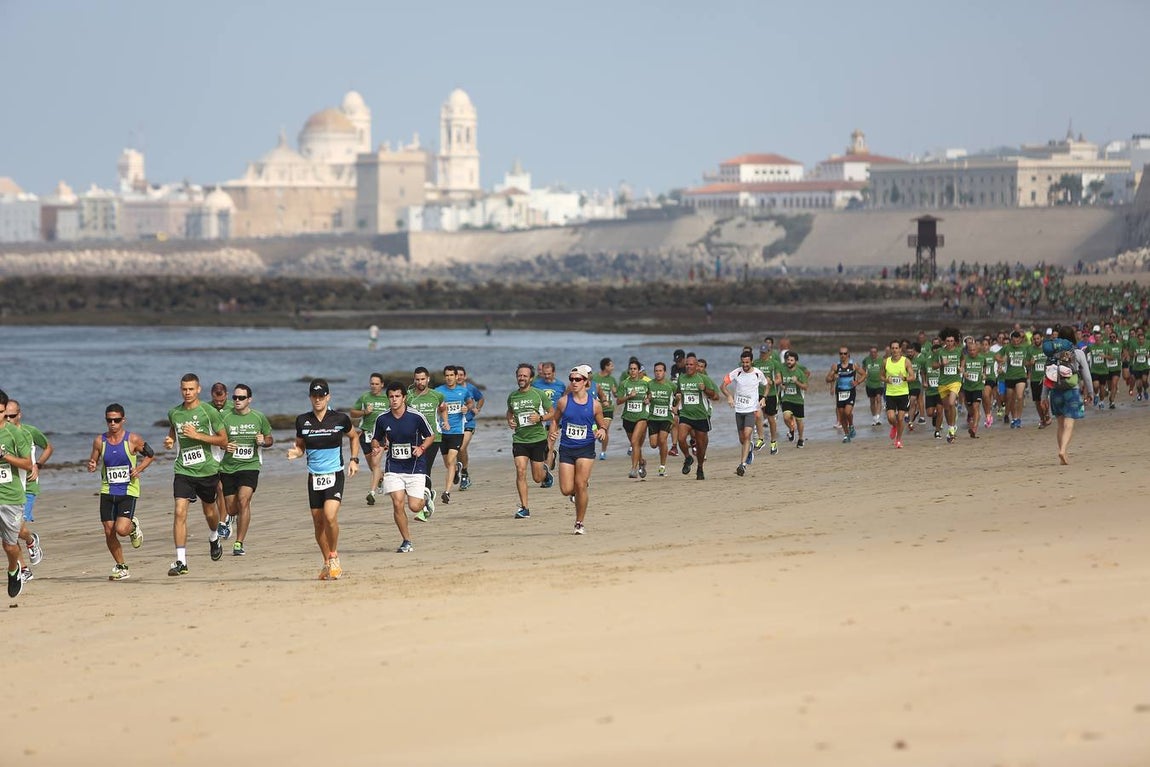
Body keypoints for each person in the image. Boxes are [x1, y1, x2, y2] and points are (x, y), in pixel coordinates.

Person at [286, 378, 359, 579]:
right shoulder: (302, 420)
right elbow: (300, 446)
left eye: (321, 396)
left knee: (329, 516)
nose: (318, 399)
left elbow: (354, 436)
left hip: (334, 474)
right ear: (310, 397)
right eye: (314, 396)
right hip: (314, 477)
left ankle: (334, 556)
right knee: (318, 523)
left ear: (328, 397)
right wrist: (296, 453)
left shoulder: (340, 419)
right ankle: (327, 562)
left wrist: (354, 460)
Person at [163, 373, 229, 576]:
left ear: (198, 389)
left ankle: (213, 536)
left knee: (210, 513)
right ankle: (181, 561)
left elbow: (223, 440)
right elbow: (174, 430)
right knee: (179, 511)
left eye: (191, 389)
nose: (187, 392)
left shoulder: (209, 411)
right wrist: (170, 440)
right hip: (183, 469)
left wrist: (197, 436)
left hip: (207, 470)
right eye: (184, 389)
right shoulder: (174, 412)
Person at [86, 403, 153, 580]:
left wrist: (139, 469)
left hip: (128, 490)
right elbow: (93, 459)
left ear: (123, 420)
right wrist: (92, 464)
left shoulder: (133, 439)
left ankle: (133, 527)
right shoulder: (100, 441)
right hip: (107, 489)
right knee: (109, 531)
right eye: (109, 420)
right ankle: (121, 566)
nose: (113, 423)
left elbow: (151, 454)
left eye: (116, 420)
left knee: (121, 529)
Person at [370, 381, 435, 554]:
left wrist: (421, 448)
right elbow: (376, 438)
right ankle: (406, 541)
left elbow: (430, 436)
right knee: (397, 503)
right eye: (391, 396)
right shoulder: (382, 418)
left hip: (415, 465)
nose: (394, 400)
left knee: (414, 506)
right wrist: (377, 446)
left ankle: (426, 498)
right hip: (394, 466)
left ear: (404, 397)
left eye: (397, 396)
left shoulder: (416, 416)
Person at [543, 365, 609, 534]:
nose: (574, 382)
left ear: (586, 382)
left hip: (586, 448)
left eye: (578, 379)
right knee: (566, 489)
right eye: (571, 379)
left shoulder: (595, 405)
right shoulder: (564, 401)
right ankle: (579, 490)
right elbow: (555, 420)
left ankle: (579, 522)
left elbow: (602, 424)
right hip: (566, 448)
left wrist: (601, 430)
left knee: (580, 484)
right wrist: (553, 433)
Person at [218, 384, 273, 557]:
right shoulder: (224, 417)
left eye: (241, 398)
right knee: (233, 509)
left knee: (243, 500)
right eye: (234, 398)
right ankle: (232, 517)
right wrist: (224, 445)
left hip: (250, 466)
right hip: (227, 467)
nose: (237, 401)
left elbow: (270, 439)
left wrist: (263, 441)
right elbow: (216, 439)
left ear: (249, 399)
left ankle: (239, 543)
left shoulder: (259, 417)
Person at [3, 400, 48, 580]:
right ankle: (24, 568)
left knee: (16, 532)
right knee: (11, 534)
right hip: (7, 490)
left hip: (27, 487)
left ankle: (30, 543)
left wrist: (37, 465)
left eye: (11, 416)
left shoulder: (27, 432)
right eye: (4, 415)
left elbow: (48, 447)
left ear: (19, 415)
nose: (7, 419)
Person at [506, 363, 554, 519]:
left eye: (525, 376)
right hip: (520, 439)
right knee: (520, 471)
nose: (521, 378)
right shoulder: (512, 396)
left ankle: (545, 474)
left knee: (537, 478)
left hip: (538, 439)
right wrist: (510, 421)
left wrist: (540, 418)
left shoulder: (539, 394)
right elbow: (510, 412)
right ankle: (525, 508)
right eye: (519, 375)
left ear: (531, 378)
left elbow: (552, 413)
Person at [0, 388, 35, 599]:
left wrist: (5, 456)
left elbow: (28, 464)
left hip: (11, 497)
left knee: (9, 545)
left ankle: (14, 569)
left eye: (1, 411)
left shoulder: (15, 434)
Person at [406, 366, 448, 517]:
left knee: (424, 469)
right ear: (414, 380)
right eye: (417, 379)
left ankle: (424, 507)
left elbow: (443, 408)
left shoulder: (437, 395)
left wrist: (445, 421)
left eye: (422, 379)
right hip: (415, 439)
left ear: (428, 379)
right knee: (416, 471)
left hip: (433, 437)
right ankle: (428, 494)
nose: (420, 382)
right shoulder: (409, 396)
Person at [673, 353, 719, 478]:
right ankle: (688, 458)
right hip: (686, 414)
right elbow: (678, 393)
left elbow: (714, 394)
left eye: (691, 364)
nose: (688, 367)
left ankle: (700, 467)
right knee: (681, 438)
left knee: (700, 445)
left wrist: (704, 389)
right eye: (687, 364)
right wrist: (676, 399)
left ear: (696, 366)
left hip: (701, 416)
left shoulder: (703, 378)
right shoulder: (681, 378)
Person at [721, 350, 768, 476]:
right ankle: (750, 448)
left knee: (747, 434)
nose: (745, 364)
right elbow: (723, 386)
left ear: (751, 361)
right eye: (743, 362)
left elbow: (768, 384)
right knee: (742, 438)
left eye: (747, 362)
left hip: (751, 410)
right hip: (739, 410)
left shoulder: (758, 373)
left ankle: (742, 465)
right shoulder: (737, 372)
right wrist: (729, 396)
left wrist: (764, 398)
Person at [350, 373, 389, 505]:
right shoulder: (365, 397)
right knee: (373, 466)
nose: (374, 386)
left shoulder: (387, 398)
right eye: (372, 383)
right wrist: (364, 412)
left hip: (381, 436)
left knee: (376, 463)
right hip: (365, 435)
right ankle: (382, 478)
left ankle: (371, 493)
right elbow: (352, 413)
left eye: (377, 384)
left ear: (382, 385)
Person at [435, 365, 472, 505]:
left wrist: (466, 408)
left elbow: (470, 402)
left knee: (451, 460)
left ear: (457, 377)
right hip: (442, 432)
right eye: (447, 375)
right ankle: (457, 470)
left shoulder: (463, 391)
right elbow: (433, 406)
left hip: (457, 431)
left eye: (452, 375)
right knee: (447, 463)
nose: (449, 378)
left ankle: (447, 492)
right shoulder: (438, 392)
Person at [615, 359, 651, 479]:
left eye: (635, 369)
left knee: (635, 441)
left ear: (639, 370)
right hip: (628, 417)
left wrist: (648, 399)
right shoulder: (624, 384)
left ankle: (633, 469)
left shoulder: (645, 384)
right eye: (631, 369)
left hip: (642, 417)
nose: (632, 371)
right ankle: (641, 462)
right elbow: (618, 401)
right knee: (635, 444)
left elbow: (651, 394)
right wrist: (629, 397)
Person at [531, 361, 567, 469]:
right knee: (541, 447)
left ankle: (547, 476)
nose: (546, 376)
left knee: (549, 446)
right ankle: (551, 458)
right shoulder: (536, 384)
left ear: (554, 373)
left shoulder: (560, 385)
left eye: (549, 374)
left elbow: (564, 402)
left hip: (555, 420)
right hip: (540, 420)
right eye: (544, 374)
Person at [881, 339, 915, 449]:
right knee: (891, 417)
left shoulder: (906, 361)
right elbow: (881, 376)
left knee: (900, 418)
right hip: (890, 393)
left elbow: (912, 377)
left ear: (900, 349)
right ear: (890, 349)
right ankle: (894, 427)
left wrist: (904, 378)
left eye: (897, 348)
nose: (895, 350)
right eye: (893, 348)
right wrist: (887, 380)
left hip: (903, 393)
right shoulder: (886, 361)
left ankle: (898, 440)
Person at [825, 347, 863, 443]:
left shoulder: (853, 365)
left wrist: (857, 382)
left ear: (848, 354)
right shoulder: (835, 366)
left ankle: (851, 425)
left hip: (850, 391)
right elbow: (827, 379)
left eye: (845, 353)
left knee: (847, 412)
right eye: (841, 353)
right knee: (842, 415)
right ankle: (846, 435)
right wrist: (833, 377)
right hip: (840, 392)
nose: (843, 355)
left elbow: (864, 374)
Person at [645, 361, 676, 476]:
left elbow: (679, 396)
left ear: (665, 372)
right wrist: (647, 400)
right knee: (654, 444)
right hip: (653, 417)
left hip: (666, 417)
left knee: (662, 440)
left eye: (660, 371)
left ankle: (662, 466)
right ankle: (662, 449)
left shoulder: (671, 385)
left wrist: (676, 407)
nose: (658, 373)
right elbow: (646, 397)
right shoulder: (650, 384)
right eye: (656, 371)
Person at [456, 365, 484, 490]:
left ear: (465, 376)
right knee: (458, 449)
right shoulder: (450, 390)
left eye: (461, 375)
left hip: (469, 422)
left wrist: (477, 408)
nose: (459, 377)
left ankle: (464, 474)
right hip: (455, 424)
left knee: (462, 448)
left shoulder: (471, 388)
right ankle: (460, 470)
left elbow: (481, 398)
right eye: (457, 375)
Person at [933, 328, 963, 443]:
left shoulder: (958, 350)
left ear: (955, 341)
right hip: (943, 383)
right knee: (946, 408)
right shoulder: (940, 352)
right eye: (948, 341)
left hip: (955, 381)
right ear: (944, 341)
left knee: (951, 403)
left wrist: (961, 367)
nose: (950, 343)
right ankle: (951, 426)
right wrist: (941, 364)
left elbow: (963, 360)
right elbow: (933, 365)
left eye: (951, 341)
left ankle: (952, 427)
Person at [778, 351, 810, 448]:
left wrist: (797, 382)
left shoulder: (800, 372)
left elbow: (805, 387)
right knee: (786, 417)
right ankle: (791, 429)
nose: (789, 362)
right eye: (788, 360)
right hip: (786, 398)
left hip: (798, 399)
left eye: (791, 360)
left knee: (799, 420)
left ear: (796, 361)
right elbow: (779, 379)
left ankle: (800, 439)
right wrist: (781, 385)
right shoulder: (782, 369)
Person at [959, 336, 987, 438]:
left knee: (976, 407)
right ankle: (973, 417)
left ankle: (974, 428)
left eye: (974, 350)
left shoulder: (982, 358)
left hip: (978, 387)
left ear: (977, 350)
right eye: (970, 350)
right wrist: (964, 373)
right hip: (967, 387)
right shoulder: (965, 359)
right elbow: (961, 368)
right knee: (971, 409)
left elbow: (984, 369)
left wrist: (984, 375)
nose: (972, 352)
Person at [591, 358, 617, 461]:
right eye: (611, 365)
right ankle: (596, 440)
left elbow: (616, 394)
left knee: (605, 429)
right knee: (595, 430)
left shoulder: (612, 379)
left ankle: (603, 452)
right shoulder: (595, 378)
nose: (613, 368)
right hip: (596, 409)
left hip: (608, 408)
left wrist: (616, 392)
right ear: (605, 367)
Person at [860, 345, 885, 426]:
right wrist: (863, 377)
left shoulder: (882, 360)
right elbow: (863, 369)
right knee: (872, 401)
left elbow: (885, 370)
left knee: (878, 398)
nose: (873, 353)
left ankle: (878, 417)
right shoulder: (866, 360)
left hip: (879, 383)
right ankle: (874, 417)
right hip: (869, 384)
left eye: (874, 352)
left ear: (877, 352)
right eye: (871, 352)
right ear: (869, 353)